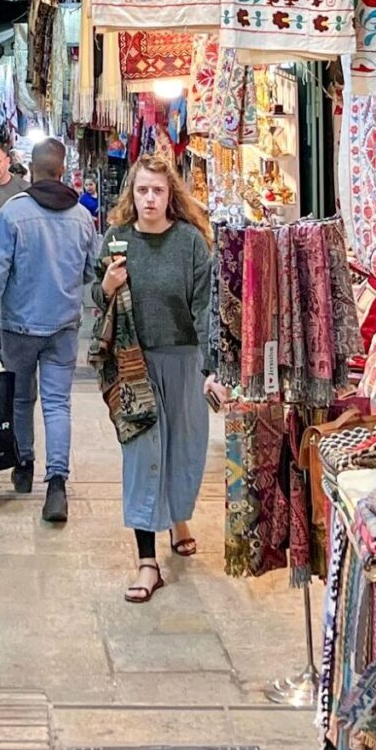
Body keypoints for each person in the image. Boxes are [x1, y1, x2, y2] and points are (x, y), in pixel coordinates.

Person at [92, 154, 220, 604]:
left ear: (171, 196)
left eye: (158, 191)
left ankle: (177, 518)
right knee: (142, 455)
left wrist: (212, 367)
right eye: (142, 190)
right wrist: (106, 286)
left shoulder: (189, 242)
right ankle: (147, 562)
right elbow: (94, 292)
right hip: (133, 364)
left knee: (183, 452)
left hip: (182, 360)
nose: (149, 198)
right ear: (132, 192)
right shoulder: (116, 239)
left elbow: (206, 306)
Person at [0, 139, 99, 524]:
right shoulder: (82, 217)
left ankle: (23, 463)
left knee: (22, 399)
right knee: (57, 404)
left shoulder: (13, 213)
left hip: (19, 325)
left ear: (30, 170)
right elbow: (91, 271)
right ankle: (56, 482)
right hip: (64, 326)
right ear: (63, 168)